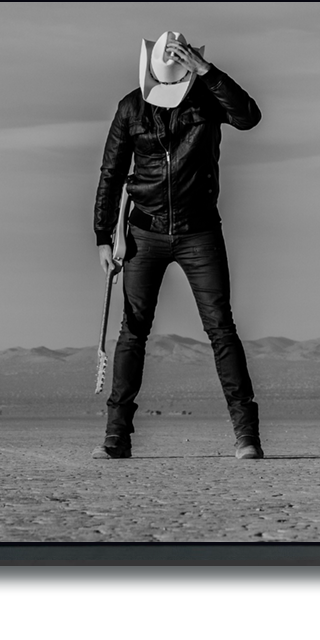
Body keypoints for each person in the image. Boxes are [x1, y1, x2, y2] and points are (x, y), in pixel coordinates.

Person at [92, 31, 264, 460]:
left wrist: (207, 72)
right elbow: (111, 172)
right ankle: (117, 438)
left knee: (221, 329)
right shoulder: (131, 107)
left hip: (199, 231)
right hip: (143, 233)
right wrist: (101, 236)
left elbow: (248, 117)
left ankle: (247, 437)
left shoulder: (207, 99)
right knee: (132, 331)